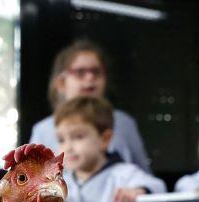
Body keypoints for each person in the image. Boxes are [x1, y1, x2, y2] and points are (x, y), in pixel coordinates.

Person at [29, 40, 150, 171]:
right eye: (80, 72)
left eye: (96, 71)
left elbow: (144, 175)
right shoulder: (42, 130)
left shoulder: (124, 123)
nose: (90, 77)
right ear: (61, 83)